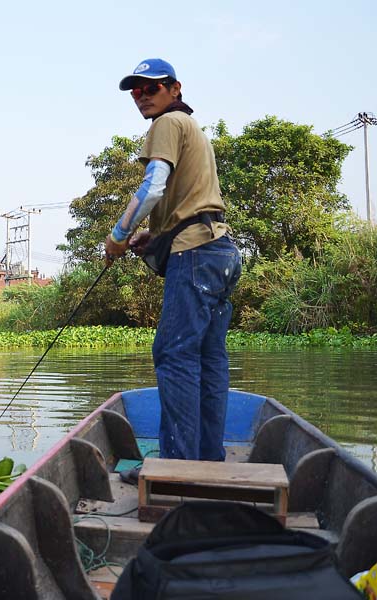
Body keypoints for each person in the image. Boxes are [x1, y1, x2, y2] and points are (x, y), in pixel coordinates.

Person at [104, 58, 242, 479]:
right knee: (209, 359)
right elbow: (187, 203)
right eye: (135, 90)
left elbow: (154, 185)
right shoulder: (193, 130)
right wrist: (155, 235)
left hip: (196, 255)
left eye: (151, 88)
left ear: (174, 89)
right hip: (221, 253)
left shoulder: (166, 123)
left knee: (174, 355)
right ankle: (206, 460)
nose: (142, 96)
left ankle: (176, 467)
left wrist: (119, 234)